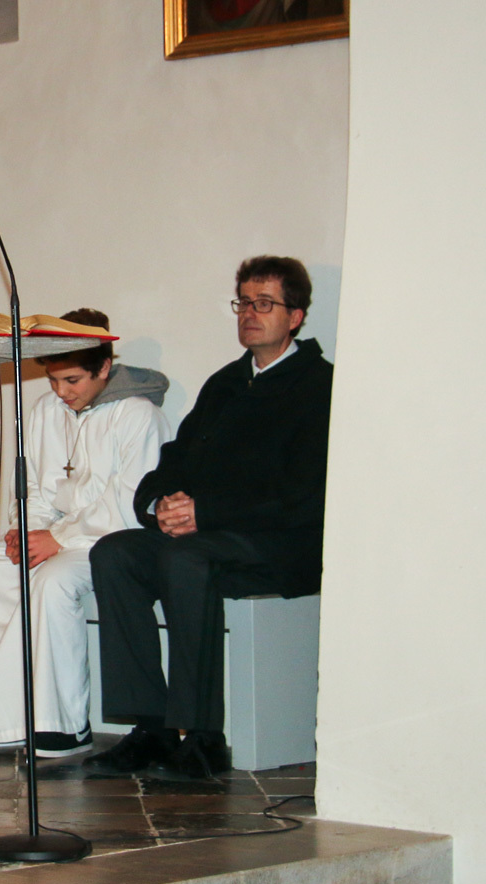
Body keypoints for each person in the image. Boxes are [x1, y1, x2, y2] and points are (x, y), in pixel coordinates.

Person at [87, 256, 333, 779]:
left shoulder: (319, 385)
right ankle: (151, 728)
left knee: (187, 558)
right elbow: (176, 459)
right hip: (210, 537)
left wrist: (206, 513)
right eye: (243, 302)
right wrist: (160, 505)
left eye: (264, 303)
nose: (249, 313)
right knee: (116, 553)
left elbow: (302, 493)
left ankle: (202, 738)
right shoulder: (226, 383)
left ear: (295, 316)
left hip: (281, 545)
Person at [0, 309, 171, 757]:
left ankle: (64, 726)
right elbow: (33, 486)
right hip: (54, 535)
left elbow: (129, 501)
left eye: (72, 380)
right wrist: (25, 530)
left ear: (104, 367)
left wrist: (57, 539)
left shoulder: (138, 414)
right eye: (53, 380)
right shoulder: (46, 410)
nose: (61, 391)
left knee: (52, 582)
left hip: (109, 541)